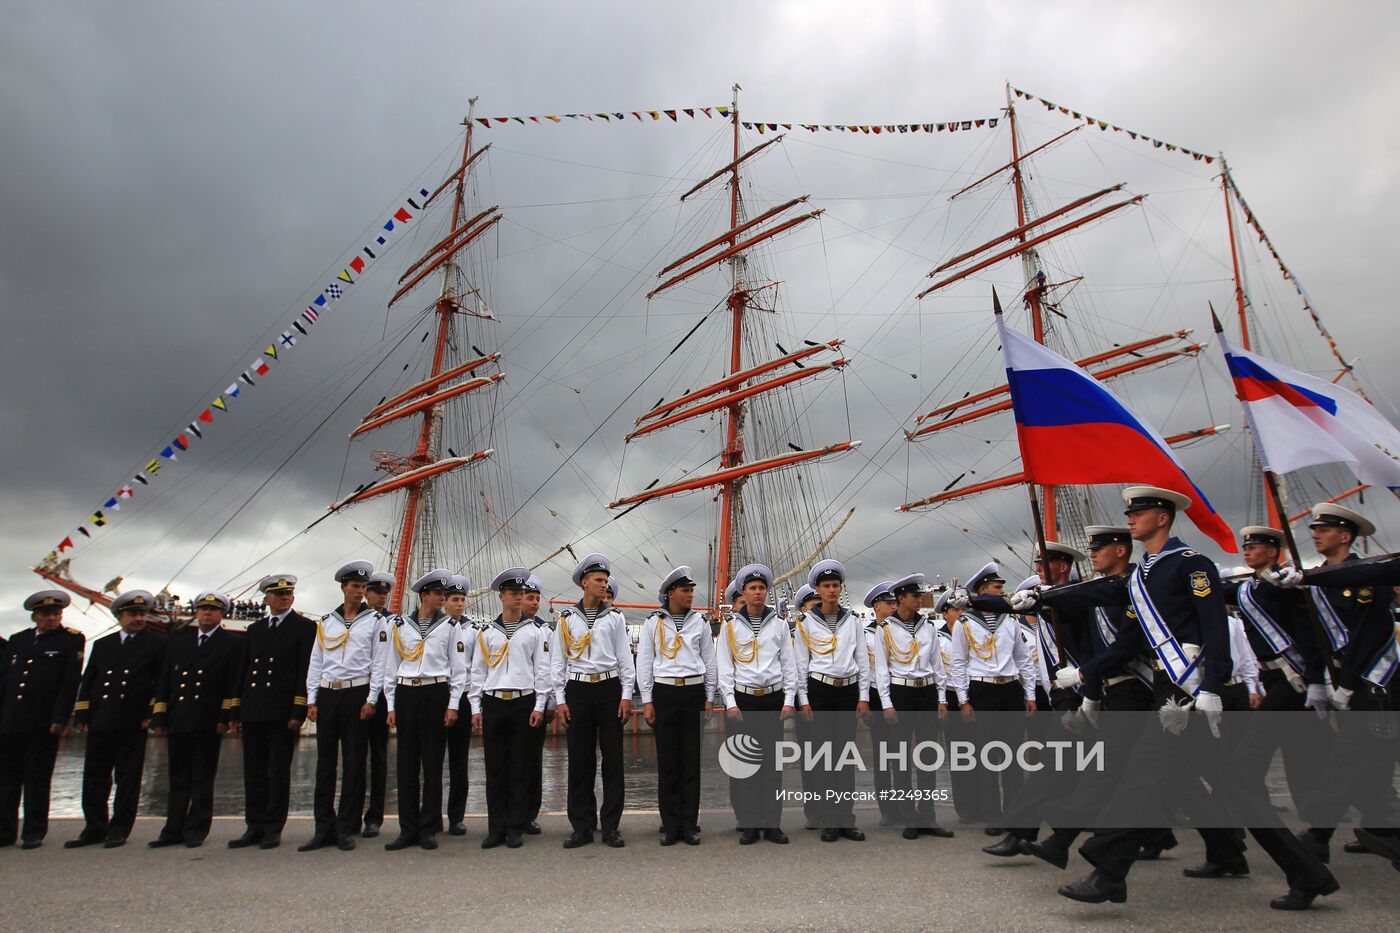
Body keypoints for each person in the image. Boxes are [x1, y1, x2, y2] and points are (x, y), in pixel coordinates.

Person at [1023, 487, 1334, 911]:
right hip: (1168, 687)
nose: (1131, 519)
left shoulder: (1191, 565)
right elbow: (1096, 593)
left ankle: (1108, 872)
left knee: (1141, 776)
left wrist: (1210, 689)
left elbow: (1214, 629)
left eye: (1140, 512)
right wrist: (1038, 596)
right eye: (1130, 513)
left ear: (1163, 517)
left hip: (1188, 692)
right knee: (1235, 789)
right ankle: (1303, 873)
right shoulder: (1142, 574)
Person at [1273, 504, 1400, 873]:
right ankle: (1377, 832)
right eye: (1314, 528)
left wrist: (1345, 685)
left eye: (1324, 529)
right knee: (1368, 768)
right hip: (1340, 681)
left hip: (1370, 682)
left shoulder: (1365, 579)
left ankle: (1317, 834)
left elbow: (1368, 635)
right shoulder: (1318, 579)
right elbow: (1316, 639)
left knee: (1348, 761)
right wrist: (1317, 681)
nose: (1315, 534)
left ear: (1345, 536)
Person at [67, 590, 167, 849]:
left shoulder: (157, 644)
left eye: (142, 614)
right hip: (102, 717)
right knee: (94, 775)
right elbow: (89, 680)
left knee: (128, 778)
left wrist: (151, 714)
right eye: (132, 614)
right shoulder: (103, 644)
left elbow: (160, 683)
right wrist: (82, 712)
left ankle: (120, 828)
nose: (138, 618)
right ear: (120, 615)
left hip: (133, 719)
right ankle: (94, 827)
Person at [300, 560, 387, 852]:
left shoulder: (376, 621)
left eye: (363, 587)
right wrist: (312, 699)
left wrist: (372, 698)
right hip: (328, 693)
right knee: (325, 764)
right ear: (343, 588)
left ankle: (347, 827)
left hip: (356, 693)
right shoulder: (326, 622)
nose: (360, 592)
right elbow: (316, 662)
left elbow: (379, 663)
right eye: (355, 587)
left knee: (354, 762)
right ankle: (322, 827)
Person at [149, 591, 245, 848]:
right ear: (197, 612)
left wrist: (226, 716)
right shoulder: (179, 642)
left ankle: (196, 830)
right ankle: (171, 830)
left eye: (212, 610)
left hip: (208, 718)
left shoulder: (231, 644)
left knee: (203, 778)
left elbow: (232, 683)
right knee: (177, 778)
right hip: (179, 717)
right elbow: (165, 681)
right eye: (203, 609)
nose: (207, 614)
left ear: (221, 614)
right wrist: (159, 714)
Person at [553, 554, 635, 849]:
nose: (603, 585)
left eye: (605, 581)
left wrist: (626, 695)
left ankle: (611, 826)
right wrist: (560, 700)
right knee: (579, 760)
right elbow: (558, 663)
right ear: (584, 582)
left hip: (608, 687)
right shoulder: (565, 619)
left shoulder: (614, 618)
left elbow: (625, 660)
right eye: (598, 580)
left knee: (613, 760)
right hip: (578, 689)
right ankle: (582, 827)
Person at [947, 561, 1036, 833]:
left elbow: (1022, 660)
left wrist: (1029, 693)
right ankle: (992, 813)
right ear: (983, 589)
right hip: (981, 690)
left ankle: (1014, 811)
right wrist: (963, 700)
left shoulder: (1010, 620)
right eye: (997, 587)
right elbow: (959, 663)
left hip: (1010, 688)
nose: (1000, 592)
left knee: (1012, 754)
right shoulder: (964, 623)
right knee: (988, 756)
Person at [229, 573, 315, 851]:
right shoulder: (254, 630)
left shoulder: (304, 627)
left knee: (277, 771)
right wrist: (236, 710)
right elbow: (242, 671)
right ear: (266, 599)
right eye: (278, 595)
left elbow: (305, 671)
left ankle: (273, 827)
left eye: (288, 593)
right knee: (253, 771)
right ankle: (253, 825)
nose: (285, 597)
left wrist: (297, 709)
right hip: (254, 709)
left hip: (281, 711)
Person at [382, 569, 466, 852]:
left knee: (432, 763)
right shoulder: (401, 625)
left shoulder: (450, 626)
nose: (443, 598)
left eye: (445, 594)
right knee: (405, 764)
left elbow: (458, 670)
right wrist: (391, 704)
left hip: (435, 691)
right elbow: (390, 667)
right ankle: (407, 829)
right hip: (407, 691)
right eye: (439, 594)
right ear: (424, 596)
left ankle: (429, 827)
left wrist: (453, 704)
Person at [717, 563, 798, 845]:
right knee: (746, 764)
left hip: (773, 699)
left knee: (772, 766)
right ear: (743, 592)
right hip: (743, 700)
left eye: (762, 588)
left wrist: (789, 701)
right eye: (752, 588)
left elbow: (788, 665)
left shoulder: (778, 625)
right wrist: (729, 702)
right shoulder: (730, 626)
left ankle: (772, 823)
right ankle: (750, 823)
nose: (758, 593)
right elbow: (725, 667)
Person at [470, 569, 551, 849]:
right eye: (513, 593)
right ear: (502, 596)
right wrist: (475, 708)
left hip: (522, 701)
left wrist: (540, 705)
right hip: (493, 701)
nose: (518, 597)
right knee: (495, 769)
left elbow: (542, 671)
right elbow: (478, 672)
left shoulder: (536, 631)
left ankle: (515, 828)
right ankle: (496, 828)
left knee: (519, 767)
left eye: (521, 593)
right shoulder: (487, 632)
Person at [636, 565, 717, 846]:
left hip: (693, 692)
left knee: (691, 762)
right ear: (671, 593)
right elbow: (644, 663)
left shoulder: (700, 623)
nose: (690, 595)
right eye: (685, 590)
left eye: (692, 590)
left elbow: (710, 662)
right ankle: (670, 824)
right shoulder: (652, 623)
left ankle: (689, 823)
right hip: (665, 693)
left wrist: (709, 697)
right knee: (668, 763)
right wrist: (647, 700)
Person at [793, 559, 870, 842]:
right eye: (826, 586)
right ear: (817, 589)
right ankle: (829, 819)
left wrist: (863, 696)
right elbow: (801, 664)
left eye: (836, 585)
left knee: (845, 757)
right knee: (826, 758)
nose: (832, 590)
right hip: (820, 690)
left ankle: (846, 819)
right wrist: (804, 700)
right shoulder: (806, 623)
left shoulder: (853, 621)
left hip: (847, 691)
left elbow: (862, 659)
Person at [0, 591, 84, 849]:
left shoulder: (71, 640)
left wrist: (60, 718)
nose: (51, 618)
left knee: (37, 777)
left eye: (56, 614)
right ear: (34, 616)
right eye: (45, 614)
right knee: (6, 778)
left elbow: (69, 683)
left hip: (43, 720)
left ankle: (34, 832)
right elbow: (6, 681)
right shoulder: (18, 640)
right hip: (11, 719)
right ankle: (5, 831)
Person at [876, 573, 952, 840]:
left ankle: (927, 815)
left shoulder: (928, 626)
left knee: (928, 757)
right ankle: (909, 816)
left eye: (920, 595)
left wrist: (941, 698)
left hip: (927, 691)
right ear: (901, 599)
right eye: (915, 596)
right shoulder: (885, 629)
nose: (920, 599)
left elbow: (938, 665)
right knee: (901, 759)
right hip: (900, 692)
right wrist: (886, 704)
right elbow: (882, 670)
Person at [860, 580, 901, 829]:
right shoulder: (866, 634)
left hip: (899, 693)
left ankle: (906, 805)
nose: (893, 606)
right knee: (883, 757)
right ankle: (888, 809)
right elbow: (864, 670)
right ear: (877, 606)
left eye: (895, 602)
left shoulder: (901, 631)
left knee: (902, 756)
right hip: (876, 696)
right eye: (888, 603)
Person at [360, 570, 396, 839]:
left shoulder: (395, 623)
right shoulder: (351, 621)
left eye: (385, 593)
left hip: (383, 696)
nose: (382, 597)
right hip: (356, 693)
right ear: (365, 592)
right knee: (353, 758)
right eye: (377, 592)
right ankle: (349, 815)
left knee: (379, 758)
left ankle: (374, 817)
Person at [442, 573, 473, 836]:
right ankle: (430, 814)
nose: (460, 604)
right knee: (431, 758)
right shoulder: (436, 629)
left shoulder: (474, 631)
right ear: (444, 602)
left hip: (462, 697)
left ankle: (456, 816)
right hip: (439, 695)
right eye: (454, 599)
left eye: (462, 599)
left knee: (459, 761)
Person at [522, 574, 553, 834]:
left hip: (537, 698)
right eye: (529, 598)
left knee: (533, 760)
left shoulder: (546, 630)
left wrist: (550, 702)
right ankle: (511, 811)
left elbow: (551, 668)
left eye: (536, 598)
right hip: (515, 697)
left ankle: (530, 812)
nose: (534, 603)